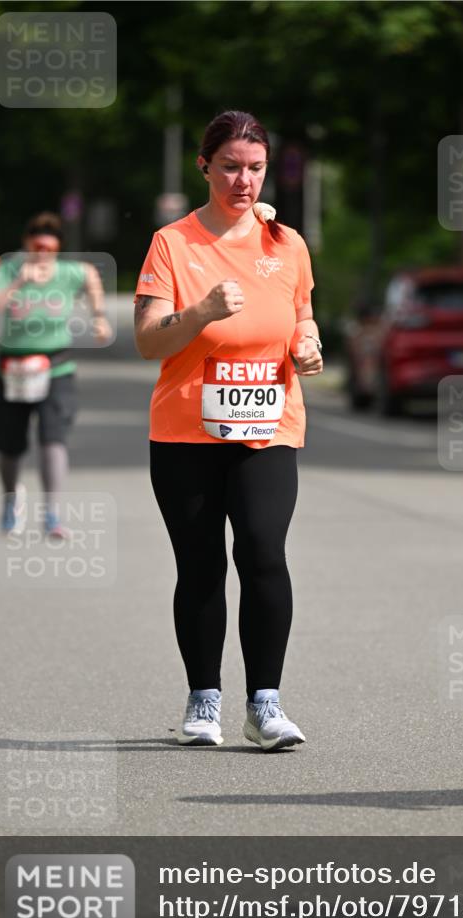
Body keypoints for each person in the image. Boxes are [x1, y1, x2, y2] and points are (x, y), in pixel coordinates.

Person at [134, 109, 324, 752]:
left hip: (268, 422)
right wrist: (202, 311)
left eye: (255, 169)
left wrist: (309, 344)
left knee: (265, 553)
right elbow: (146, 339)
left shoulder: (286, 243)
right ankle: (203, 699)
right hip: (187, 427)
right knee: (202, 565)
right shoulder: (173, 243)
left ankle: (265, 705)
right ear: (204, 167)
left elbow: (302, 314)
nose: (244, 181)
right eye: (230, 168)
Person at [0, 212, 111, 536]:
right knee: (9, 446)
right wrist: (18, 282)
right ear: (27, 245)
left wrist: (99, 316)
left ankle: (51, 512)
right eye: (37, 246)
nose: (42, 254)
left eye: (49, 249)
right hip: (13, 367)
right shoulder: (8, 269)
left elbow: (90, 275)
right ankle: (11, 499)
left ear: (57, 250)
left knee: (53, 439)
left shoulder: (68, 272)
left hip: (55, 367)